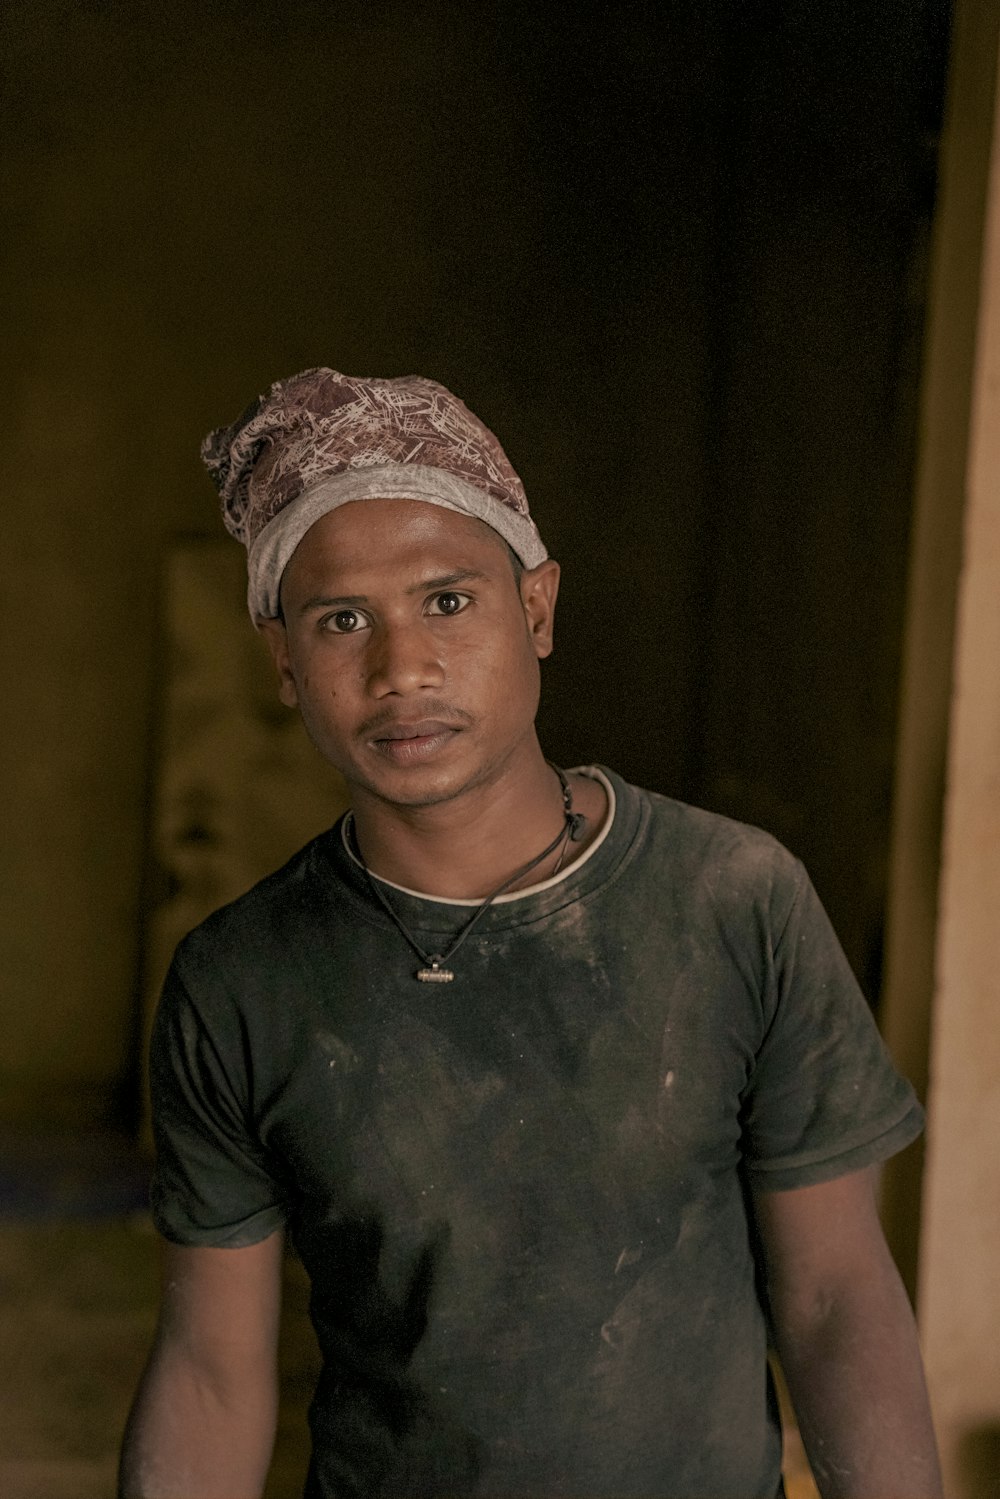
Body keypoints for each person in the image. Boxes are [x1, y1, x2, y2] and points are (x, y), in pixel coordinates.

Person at [119, 368, 942, 1499]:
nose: (400, 667)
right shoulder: (241, 978)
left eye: (448, 600)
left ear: (538, 608)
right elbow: (211, 1372)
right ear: (281, 660)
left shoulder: (730, 898)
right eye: (341, 619)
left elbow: (835, 1292)